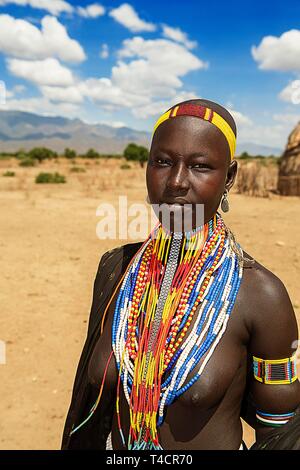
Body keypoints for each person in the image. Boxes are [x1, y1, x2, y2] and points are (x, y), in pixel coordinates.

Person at [61, 99, 300, 451]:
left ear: (229, 177)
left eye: (200, 166)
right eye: (162, 162)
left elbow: (281, 431)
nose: (175, 181)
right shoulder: (116, 270)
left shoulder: (261, 295)